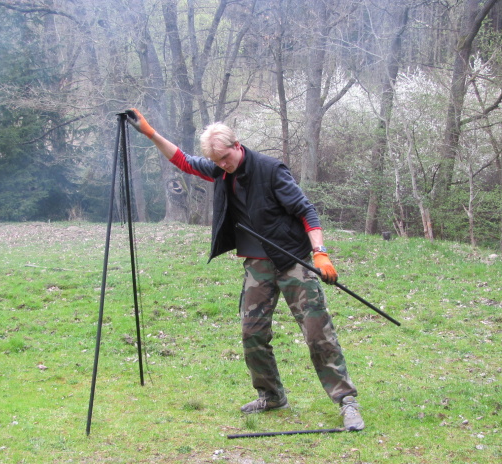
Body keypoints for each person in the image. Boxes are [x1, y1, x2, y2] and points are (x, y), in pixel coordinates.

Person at [126, 109, 364, 431]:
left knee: (316, 332)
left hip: (292, 259)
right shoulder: (220, 169)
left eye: (226, 158)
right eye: (217, 161)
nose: (223, 165)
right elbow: (183, 161)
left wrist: (320, 253)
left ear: (237, 145)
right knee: (252, 333)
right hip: (258, 264)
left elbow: (306, 210)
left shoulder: (271, 170)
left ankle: (346, 400)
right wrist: (150, 133)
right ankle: (271, 396)